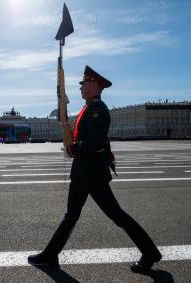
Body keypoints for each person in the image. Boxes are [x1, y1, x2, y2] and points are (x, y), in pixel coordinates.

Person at [28, 66, 162, 274]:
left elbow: (95, 141)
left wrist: (74, 148)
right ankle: (50, 255)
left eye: (84, 84)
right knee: (71, 215)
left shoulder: (98, 108)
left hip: (92, 174)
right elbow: (85, 137)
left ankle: (150, 253)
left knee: (117, 215)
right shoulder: (88, 108)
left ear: (95, 86)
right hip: (82, 172)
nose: (81, 87)